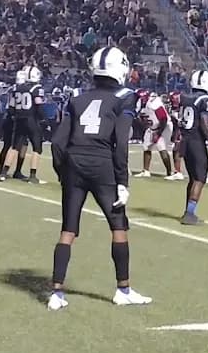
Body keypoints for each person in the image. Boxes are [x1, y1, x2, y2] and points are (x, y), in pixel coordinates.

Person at [48, 46, 152, 311]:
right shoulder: (125, 96)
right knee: (118, 227)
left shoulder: (77, 98)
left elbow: (58, 142)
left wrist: (64, 172)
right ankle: (123, 289)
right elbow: (121, 140)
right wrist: (122, 181)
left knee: (68, 230)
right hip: (103, 163)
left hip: (74, 162)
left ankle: (57, 293)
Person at [176, 69, 208, 226]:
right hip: (196, 141)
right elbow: (204, 123)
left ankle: (188, 211)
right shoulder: (205, 99)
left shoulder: (185, 97)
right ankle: (189, 214)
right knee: (200, 178)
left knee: (193, 178)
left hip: (185, 140)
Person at [0, 65, 45, 183]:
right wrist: (44, 120)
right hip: (31, 120)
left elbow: (12, 107)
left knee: (14, 147)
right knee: (37, 148)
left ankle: (3, 173)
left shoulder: (17, 88)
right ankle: (32, 176)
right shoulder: (36, 88)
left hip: (19, 120)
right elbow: (38, 105)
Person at [132, 89, 174, 178]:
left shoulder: (154, 104)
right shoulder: (141, 103)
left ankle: (169, 172)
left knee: (161, 146)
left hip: (164, 126)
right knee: (147, 146)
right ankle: (146, 171)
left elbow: (164, 119)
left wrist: (158, 133)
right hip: (153, 125)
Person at [0, 71, 28, 178]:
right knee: (18, 145)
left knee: (10, 146)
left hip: (10, 118)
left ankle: (0, 169)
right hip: (16, 119)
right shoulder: (24, 90)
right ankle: (13, 171)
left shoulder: (11, 89)